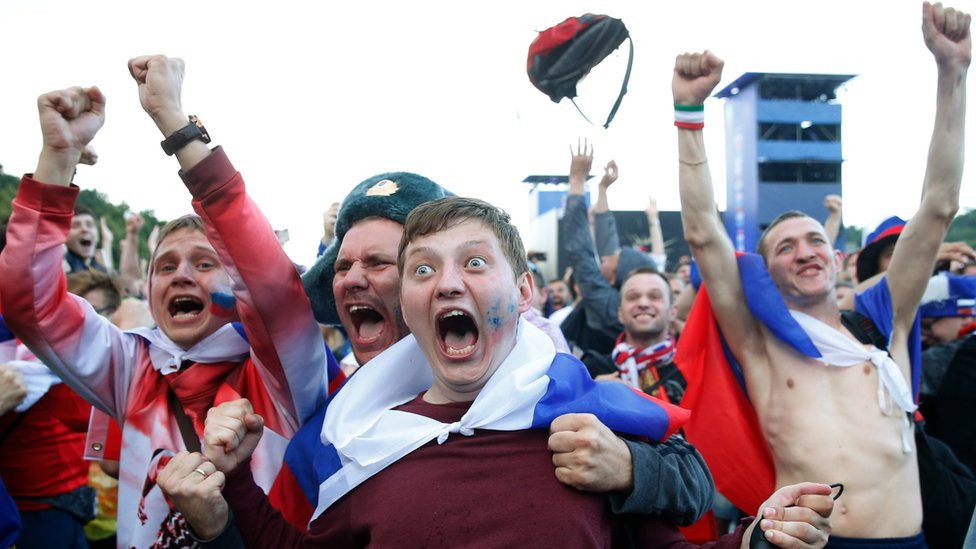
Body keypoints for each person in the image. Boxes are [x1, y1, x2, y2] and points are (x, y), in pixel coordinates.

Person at [159, 196, 835, 548]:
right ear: (411, 305)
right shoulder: (361, 438)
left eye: (475, 263)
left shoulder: (591, 422)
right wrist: (229, 500)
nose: (448, 283)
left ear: (527, 292)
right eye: (424, 269)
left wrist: (760, 537)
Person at [0, 55, 329, 547]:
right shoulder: (134, 368)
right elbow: (30, 304)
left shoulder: (279, 373)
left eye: (202, 262)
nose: (180, 276)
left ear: (234, 281)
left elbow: (274, 292)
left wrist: (174, 122)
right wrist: (57, 160)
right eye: (166, 266)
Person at [672, 3, 969, 545]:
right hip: (807, 543)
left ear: (837, 260)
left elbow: (938, 206)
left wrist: (953, 72)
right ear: (766, 271)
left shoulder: (886, 324)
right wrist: (689, 114)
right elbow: (703, 235)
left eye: (815, 240)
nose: (805, 252)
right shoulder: (760, 346)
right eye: (785, 247)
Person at [282, 173, 712, 529]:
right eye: (424, 268)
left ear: (523, 291)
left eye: (379, 262)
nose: (354, 279)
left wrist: (629, 468)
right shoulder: (336, 432)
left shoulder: (557, 391)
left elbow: (693, 485)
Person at [561, 144, 656, 355]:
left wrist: (576, 181)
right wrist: (602, 190)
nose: (604, 257)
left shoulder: (608, 305)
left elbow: (580, 250)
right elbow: (608, 238)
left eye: (612, 259)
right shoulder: (618, 292)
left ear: (615, 277)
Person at [585, 267, 687, 405]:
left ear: (673, 311)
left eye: (654, 296)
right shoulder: (591, 370)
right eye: (633, 297)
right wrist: (589, 396)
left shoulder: (693, 371)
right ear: (620, 313)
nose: (643, 303)